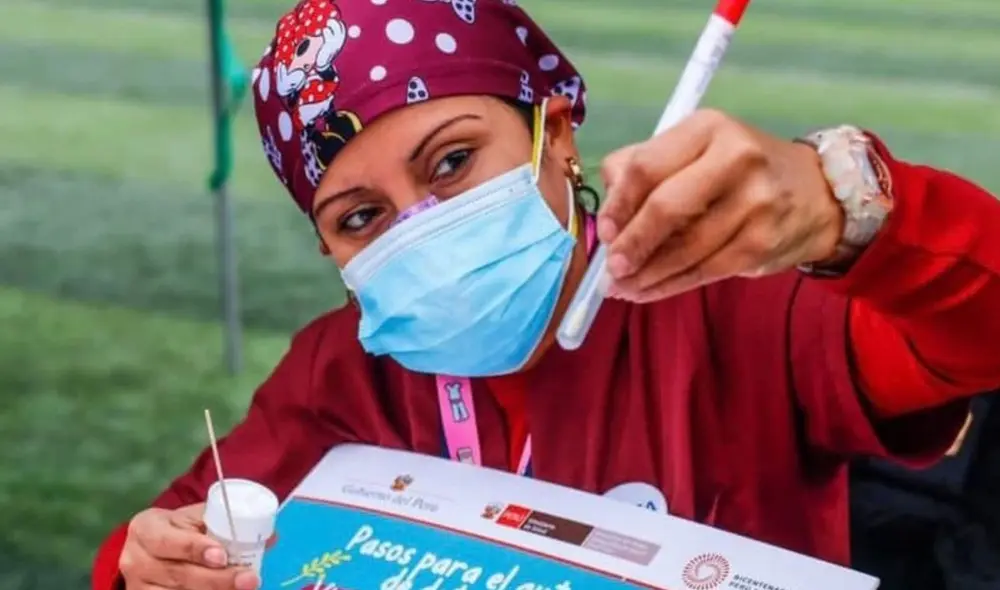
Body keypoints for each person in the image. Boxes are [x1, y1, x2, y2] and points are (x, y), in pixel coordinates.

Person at [92, 1, 1000, 589]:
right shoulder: (337, 375)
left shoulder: (735, 301)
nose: (418, 230)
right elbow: (163, 542)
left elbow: (977, 331)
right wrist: (151, 563)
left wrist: (847, 211)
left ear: (556, 130)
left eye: (452, 163)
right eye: (361, 217)